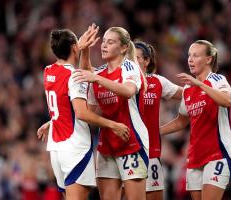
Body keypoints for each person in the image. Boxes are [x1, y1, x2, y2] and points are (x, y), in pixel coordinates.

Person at [39, 26, 130, 200]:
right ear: (74, 47)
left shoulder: (48, 71)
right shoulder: (75, 76)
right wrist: (113, 125)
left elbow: (63, 106)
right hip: (75, 148)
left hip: (56, 148)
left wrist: (52, 122)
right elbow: (81, 113)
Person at [72, 27, 149, 200]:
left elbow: (128, 91)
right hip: (107, 146)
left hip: (132, 142)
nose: (104, 45)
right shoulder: (98, 74)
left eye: (111, 42)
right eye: (104, 41)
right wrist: (85, 49)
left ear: (123, 48)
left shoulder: (130, 67)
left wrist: (97, 78)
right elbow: (91, 110)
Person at [160, 40, 231, 200]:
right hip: (195, 156)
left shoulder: (217, 80)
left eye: (196, 55)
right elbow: (182, 121)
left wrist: (199, 85)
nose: (190, 59)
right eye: (189, 55)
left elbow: (227, 100)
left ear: (208, 59)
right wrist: (156, 132)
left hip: (218, 153)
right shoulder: (188, 89)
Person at [134, 40, 183, 200]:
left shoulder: (157, 82)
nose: (132, 62)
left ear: (147, 61)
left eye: (136, 57)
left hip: (151, 153)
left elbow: (186, 94)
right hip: (126, 153)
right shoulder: (119, 81)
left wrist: (206, 88)